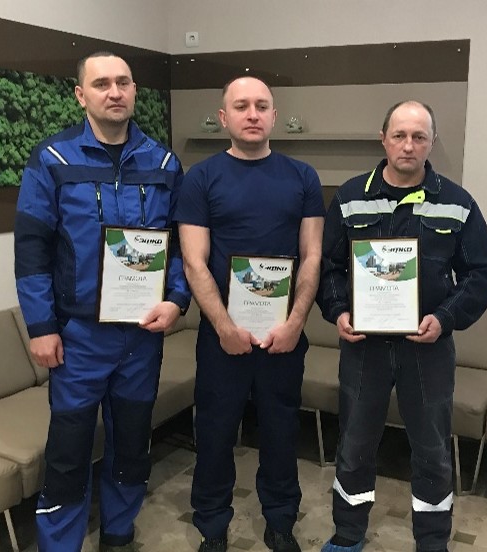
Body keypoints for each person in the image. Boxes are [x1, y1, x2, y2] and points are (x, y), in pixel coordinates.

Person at [14, 51, 191, 552]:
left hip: (142, 335)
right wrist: (41, 327)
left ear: (134, 91)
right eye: (102, 84)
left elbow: (182, 244)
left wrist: (177, 299)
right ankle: (60, 544)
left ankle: (118, 533)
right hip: (78, 338)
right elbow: (32, 249)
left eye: (123, 82)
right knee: (69, 451)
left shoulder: (164, 164)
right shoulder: (53, 160)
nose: (115, 92)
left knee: (132, 444)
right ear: (81, 95)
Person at [317, 100, 487, 552]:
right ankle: (348, 534)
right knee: (354, 443)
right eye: (399, 135)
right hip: (365, 347)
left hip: (428, 348)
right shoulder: (351, 197)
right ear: (383, 139)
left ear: (432, 142)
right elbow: (328, 266)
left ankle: (432, 542)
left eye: (419, 136)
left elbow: (481, 273)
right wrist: (338, 311)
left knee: (432, 450)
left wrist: (446, 318)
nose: (408, 145)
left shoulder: (457, 203)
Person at [175, 76, 325, 552]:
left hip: (283, 336)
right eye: (241, 106)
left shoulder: (302, 177)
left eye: (262, 105)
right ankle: (212, 525)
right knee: (215, 433)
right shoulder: (200, 179)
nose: (253, 114)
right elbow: (193, 260)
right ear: (224, 118)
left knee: (281, 432)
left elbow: (313, 256)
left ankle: (280, 521)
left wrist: (295, 323)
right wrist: (223, 327)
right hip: (223, 338)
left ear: (274, 116)